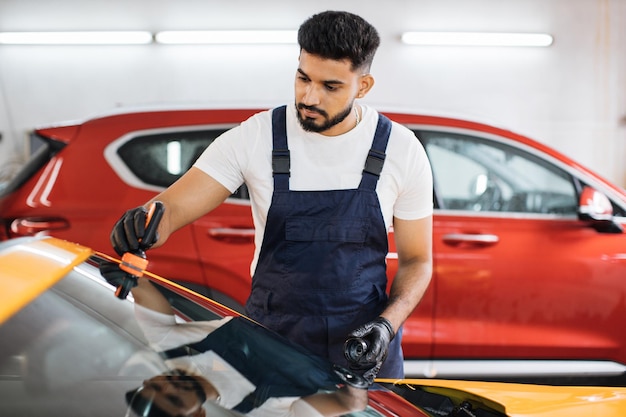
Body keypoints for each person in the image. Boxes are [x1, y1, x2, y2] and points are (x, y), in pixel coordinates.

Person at [109, 10, 433, 381]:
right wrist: (141, 226)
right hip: (272, 345)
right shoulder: (257, 137)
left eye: (330, 86)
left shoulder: (400, 150)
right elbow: (171, 209)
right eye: (302, 78)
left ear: (363, 86)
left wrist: (386, 326)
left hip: (364, 351)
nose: (309, 97)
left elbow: (417, 260)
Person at [103, 267, 369, 417]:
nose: (168, 387)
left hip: (293, 278)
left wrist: (125, 275)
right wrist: (358, 375)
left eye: (155, 388)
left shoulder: (171, 345)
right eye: (173, 400)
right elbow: (351, 405)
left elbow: (141, 288)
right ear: (197, 416)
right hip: (350, 314)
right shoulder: (260, 411)